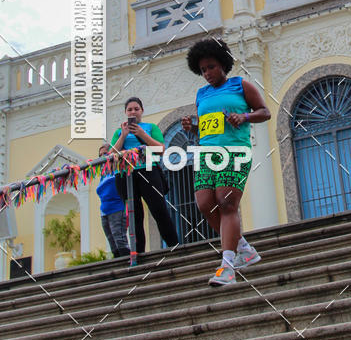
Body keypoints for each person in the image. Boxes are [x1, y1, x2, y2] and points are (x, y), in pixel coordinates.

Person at [182, 38, 271, 286]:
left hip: (234, 151)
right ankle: (244, 248)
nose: (207, 73)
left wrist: (243, 116)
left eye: (211, 67)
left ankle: (228, 266)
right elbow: (207, 128)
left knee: (226, 202)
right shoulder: (202, 94)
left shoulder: (240, 85)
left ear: (223, 63)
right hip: (206, 154)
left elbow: (264, 112)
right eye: (202, 70)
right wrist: (193, 127)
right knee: (205, 205)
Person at [110, 97, 179, 253]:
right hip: (126, 174)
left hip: (148, 170)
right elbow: (111, 156)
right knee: (135, 215)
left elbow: (160, 149)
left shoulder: (150, 127)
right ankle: (138, 253)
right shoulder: (119, 131)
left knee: (159, 209)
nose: (133, 112)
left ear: (142, 111)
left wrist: (140, 133)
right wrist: (123, 135)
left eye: (136, 109)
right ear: (125, 113)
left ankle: (174, 247)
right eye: (130, 109)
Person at [96, 144, 129, 258]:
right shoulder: (103, 174)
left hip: (117, 208)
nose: (102, 157)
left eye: (105, 154)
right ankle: (117, 261)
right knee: (111, 240)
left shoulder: (118, 168)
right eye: (100, 155)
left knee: (119, 237)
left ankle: (126, 262)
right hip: (104, 211)